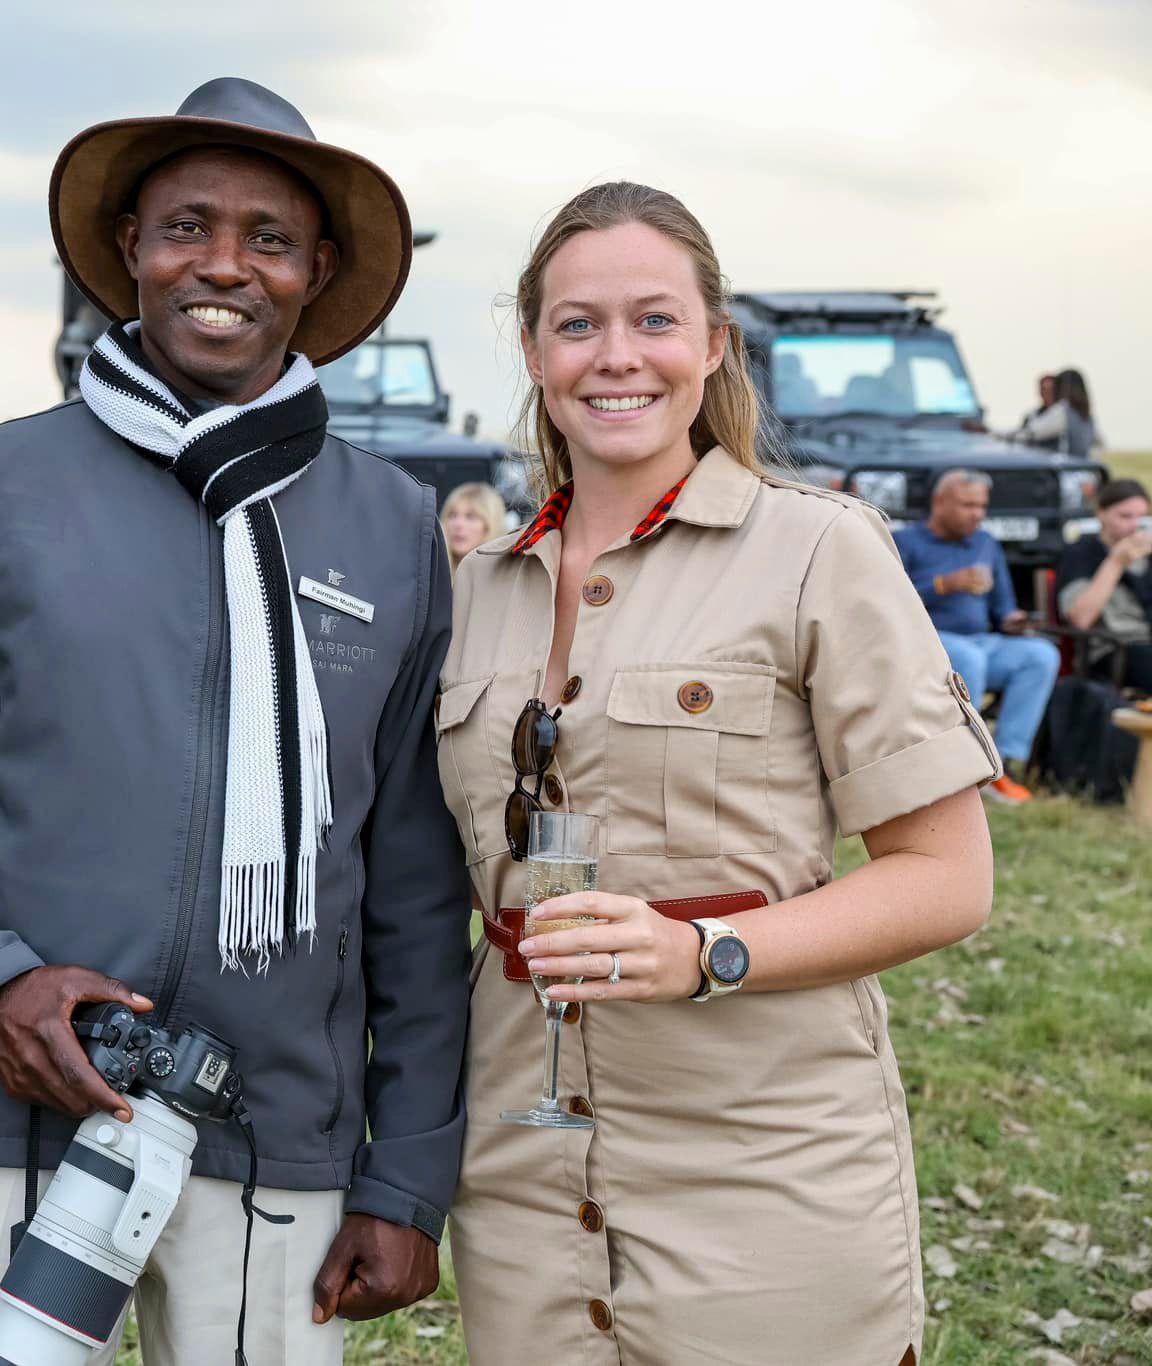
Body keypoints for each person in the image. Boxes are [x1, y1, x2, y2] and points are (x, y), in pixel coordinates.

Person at [0, 78, 470, 1365]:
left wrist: (406, 1175)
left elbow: (411, 877)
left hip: (274, 1126)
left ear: (315, 269)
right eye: (185, 227)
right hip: (17, 1102)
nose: (222, 266)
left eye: (268, 239)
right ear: (128, 249)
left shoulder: (390, 525)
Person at [436, 181, 999, 1365]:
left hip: (764, 1170)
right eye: (576, 324)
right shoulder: (473, 586)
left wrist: (704, 952)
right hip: (521, 1174)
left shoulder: (818, 550)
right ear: (533, 350)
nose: (615, 357)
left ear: (712, 346)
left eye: (653, 319)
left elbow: (946, 879)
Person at [894, 470, 1060, 802]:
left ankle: (1006, 762)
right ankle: (968, 767)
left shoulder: (985, 543)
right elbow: (890, 602)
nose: (978, 514)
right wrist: (944, 585)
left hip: (981, 640)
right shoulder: (905, 542)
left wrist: (1015, 620)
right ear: (939, 502)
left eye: (982, 506)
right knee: (971, 658)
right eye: (968, 505)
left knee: (1040, 655)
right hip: (926, 641)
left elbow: (1003, 607)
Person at [1058, 478, 1152, 690]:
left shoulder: (1147, 555)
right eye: (1125, 516)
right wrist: (1116, 562)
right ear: (1101, 514)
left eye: (1142, 518)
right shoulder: (1082, 553)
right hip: (1114, 649)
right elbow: (1080, 619)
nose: (1134, 526)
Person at [1012, 366, 1101, 457]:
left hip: (1069, 468)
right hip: (1084, 467)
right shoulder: (1086, 416)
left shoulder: (1063, 410)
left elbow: (1033, 433)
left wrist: (1005, 436)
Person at [441, 482, 505, 571]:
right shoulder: (431, 575)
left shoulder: (506, 577)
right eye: (452, 515)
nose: (458, 524)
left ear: (490, 525)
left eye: (470, 516)